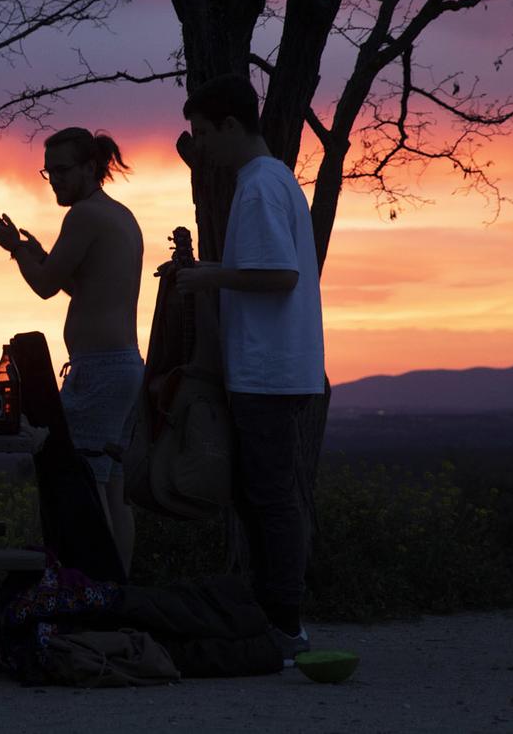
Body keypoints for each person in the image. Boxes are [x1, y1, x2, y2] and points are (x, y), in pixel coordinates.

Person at [169, 73, 325, 662]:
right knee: (265, 497)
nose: (200, 144)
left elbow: (278, 275)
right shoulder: (275, 180)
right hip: (278, 367)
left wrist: (210, 276)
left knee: (269, 500)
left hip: (269, 371)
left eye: (204, 132)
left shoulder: (259, 187)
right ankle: (272, 617)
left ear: (232, 125)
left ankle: (283, 623)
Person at [0, 126, 144, 570]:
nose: (54, 179)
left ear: (90, 166)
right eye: (48, 171)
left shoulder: (83, 217)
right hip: (124, 366)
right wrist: (39, 255)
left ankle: (96, 588)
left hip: (101, 371)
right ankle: (118, 591)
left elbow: (44, 287)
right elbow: (83, 287)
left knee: (89, 488)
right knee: (113, 489)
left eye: (62, 170)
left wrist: (16, 249)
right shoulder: (120, 215)